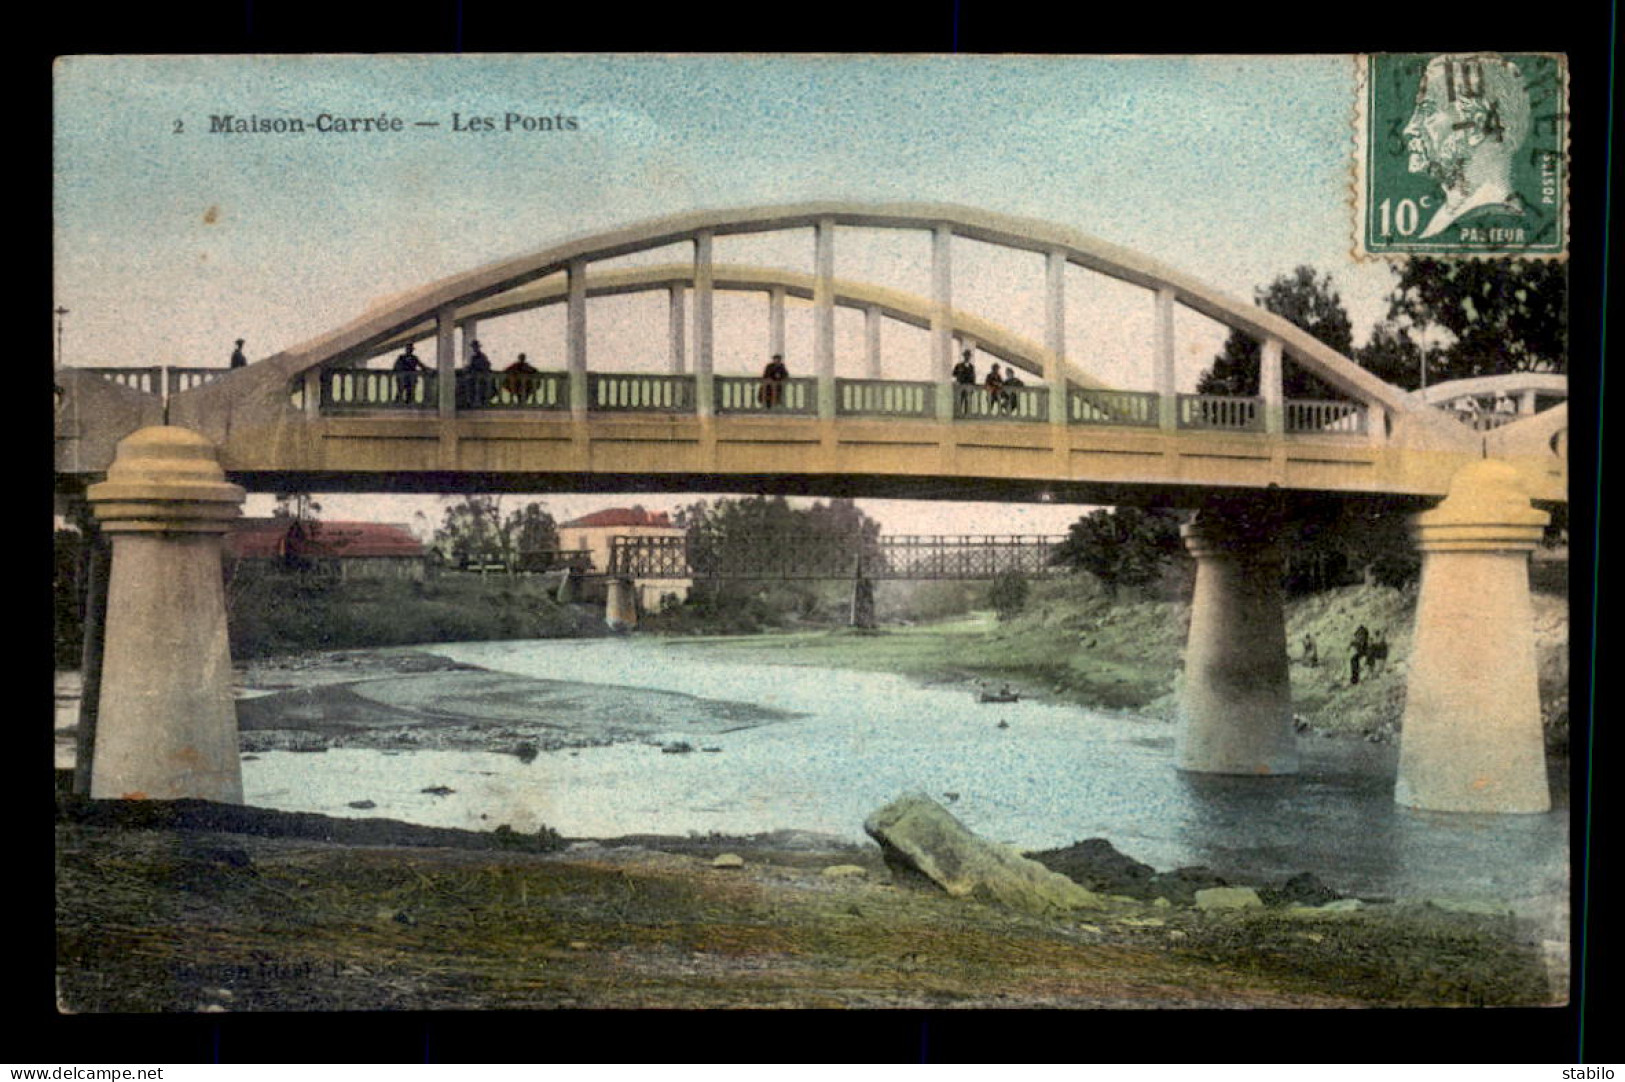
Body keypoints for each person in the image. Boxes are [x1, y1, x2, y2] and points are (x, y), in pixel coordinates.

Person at [1401, 54, 1535, 240]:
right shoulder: (1449, 217)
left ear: (1477, 127)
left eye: (1428, 111)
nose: (1410, 129)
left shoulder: (1490, 217)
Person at [952, 349, 977, 414]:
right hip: (961, 386)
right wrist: (958, 380)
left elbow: (973, 377)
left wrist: (973, 387)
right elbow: (954, 374)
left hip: (968, 386)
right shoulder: (959, 365)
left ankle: (966, 415)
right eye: (966, 355)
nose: (967, 357)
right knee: (960, 400)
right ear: (964, 356)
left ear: (970, 357)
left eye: (968, 356)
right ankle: (959, 414)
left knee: (967, 401)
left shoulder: (971, 367)